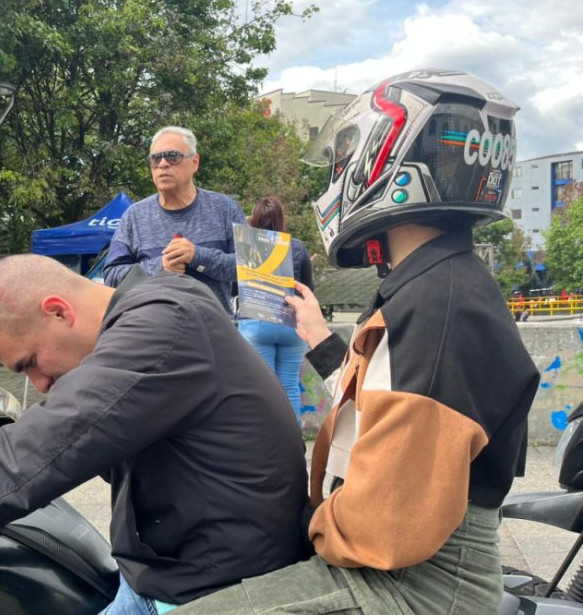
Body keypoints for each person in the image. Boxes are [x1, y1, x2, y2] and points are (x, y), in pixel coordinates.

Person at [173, 69, 541, 614]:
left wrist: (304, 522)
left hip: (415, 585)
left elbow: (386, 522)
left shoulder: (440, 305)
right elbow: (381, 401)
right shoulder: (433, 284)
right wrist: (321, 339)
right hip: (403, 563)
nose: (335, 179)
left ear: (383, 162)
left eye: (343, 161)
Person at [0, 253, 309, 612]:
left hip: (213, 592)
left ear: (58, 311)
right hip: (166, 574)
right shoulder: (153, 316)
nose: (40, 384)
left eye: (30, 364)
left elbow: (41, 448)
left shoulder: (162, 327)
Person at [103, 126, 247, 314]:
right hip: (151, 333)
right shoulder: (134, 216)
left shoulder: (225, 209)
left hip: (212, 333)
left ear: (194, 162)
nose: (163, 164)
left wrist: (198, 256)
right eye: (156, 159)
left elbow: (250, 269)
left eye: (172, 156)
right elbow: (111, 276)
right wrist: (160, 267)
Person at [237, 195, 314, 423]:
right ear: (281, 219)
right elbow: (308, 289)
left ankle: (265, 448)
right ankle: (293, 447)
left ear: (255, 219)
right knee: (289, 386)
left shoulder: (246, 248)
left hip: (257, 323)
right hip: (292, 325)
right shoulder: (297, 247)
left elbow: (235, 286)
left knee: (264, 389)